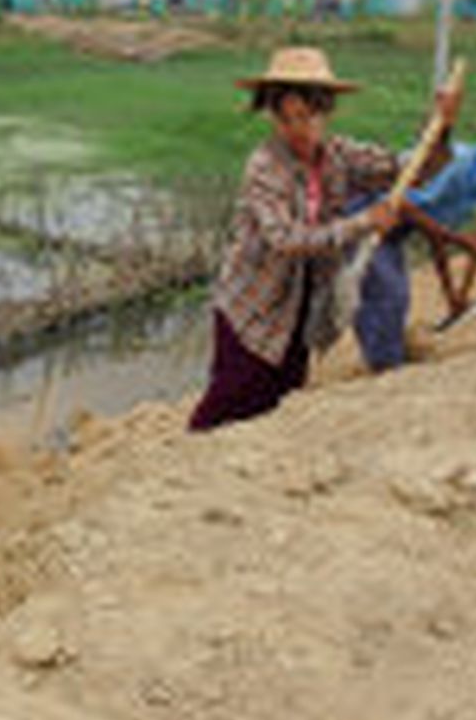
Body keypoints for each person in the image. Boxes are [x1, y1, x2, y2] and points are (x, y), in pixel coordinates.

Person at [189, 46, 459, 432]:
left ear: (326, 112)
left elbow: (409, 170)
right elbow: (285, 239)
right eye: (285, 119)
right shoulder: (265, 166)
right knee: (230, 399)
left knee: (279, 399)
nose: (298, 129)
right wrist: (364, 222)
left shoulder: (338, 155)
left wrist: (442, 125)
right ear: (271, 116)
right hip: (254, 306)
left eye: (307, 116)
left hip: (302, 306)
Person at [352, 117, 476, 372]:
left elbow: (436, 237)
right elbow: (402, 204)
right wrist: (459, 240)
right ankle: (384, 372)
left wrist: (452, 296)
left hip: (391, 234)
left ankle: (387, 365)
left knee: (393, 296)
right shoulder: (461, 166)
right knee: (389, 294)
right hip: (365, 219)